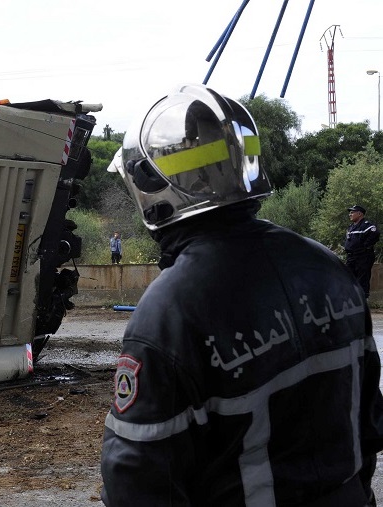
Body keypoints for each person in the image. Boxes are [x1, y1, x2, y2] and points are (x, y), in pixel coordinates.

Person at [101, 84, 383, 506]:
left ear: (151, 186)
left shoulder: (170, 310)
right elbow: (367, 424)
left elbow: (139, 481)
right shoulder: (327, 267)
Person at [345, 204, 380, 298]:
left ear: (359, 214)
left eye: (352, 212)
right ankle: (352, 300)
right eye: (350, 213)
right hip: (351, 257)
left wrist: (364, 247)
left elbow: (375, 234)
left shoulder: (366, 225)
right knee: (349, 278)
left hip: (363, 257)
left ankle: (363, 301)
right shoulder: (351, 227)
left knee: (362, 279)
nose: (350, 214)